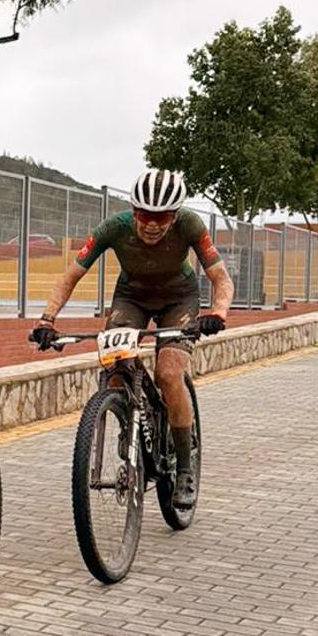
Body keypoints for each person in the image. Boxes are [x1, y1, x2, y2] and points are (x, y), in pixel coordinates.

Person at [30, 168, 234, 511]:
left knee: (169, 373)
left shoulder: (190, 226)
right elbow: (72, 275)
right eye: (144, 215)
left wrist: (218, 312)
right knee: (115, 363)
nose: (152, 224)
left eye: (162, 217)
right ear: (133, 210)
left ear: (175, 215)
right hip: (131, 298)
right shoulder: (113, 228)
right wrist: (47, 319)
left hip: (179, 300)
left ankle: (184, 466)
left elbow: (220, 277)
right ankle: (129, 417)